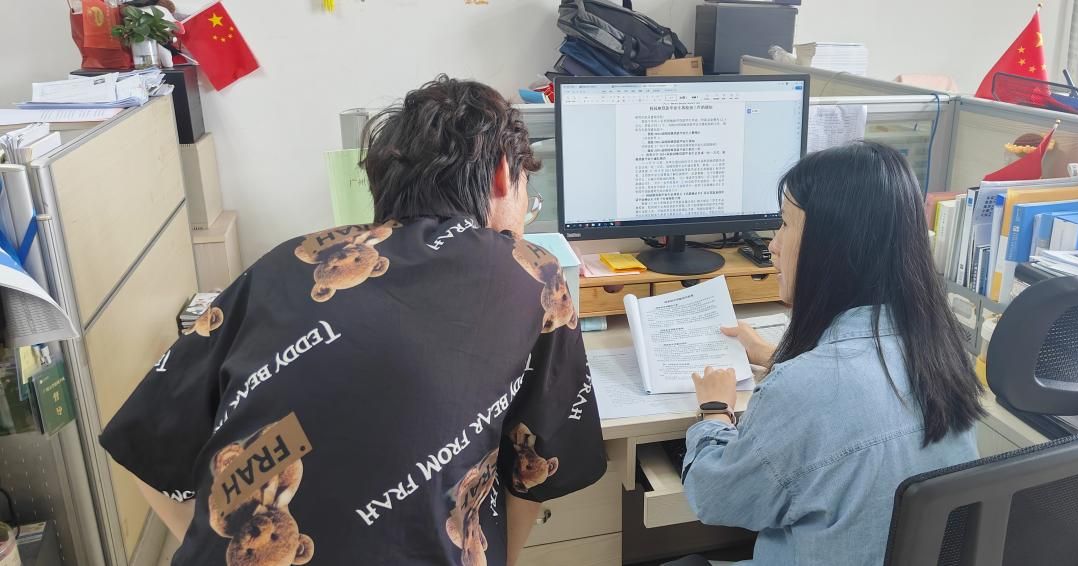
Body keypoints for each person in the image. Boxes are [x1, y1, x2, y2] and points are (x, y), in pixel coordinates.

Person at [99, 76, 606, 566]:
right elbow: (537, 473)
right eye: (527, 193)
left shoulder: (280, 264)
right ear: (502, 174)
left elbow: (140, 443)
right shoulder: (532, 273)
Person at [679, 142, 985, 565]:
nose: (773, 245)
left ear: (830, 246)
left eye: (785, 225)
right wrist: (777, 357)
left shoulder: (803, 388)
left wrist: (714, 413)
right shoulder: (942, 352)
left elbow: (717, 499)